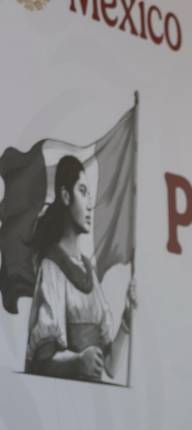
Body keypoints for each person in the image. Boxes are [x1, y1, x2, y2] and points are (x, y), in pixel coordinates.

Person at [25, 155, 136, 382]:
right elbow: (41, 361)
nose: (89, 204)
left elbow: (110, 367)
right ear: (66, 196)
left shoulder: (89, 272)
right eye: (82, 192)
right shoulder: (52, 267)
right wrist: (77, 361)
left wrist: (127, 318)